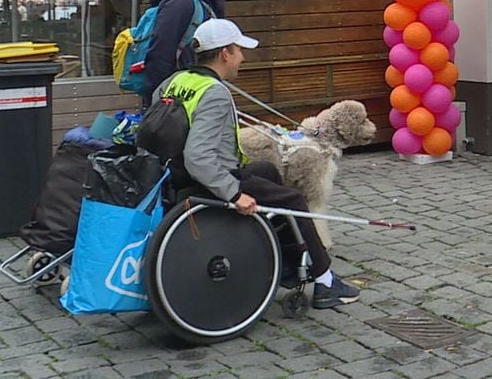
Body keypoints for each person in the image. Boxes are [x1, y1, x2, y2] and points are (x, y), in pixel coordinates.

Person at [153, 18, 361, 308]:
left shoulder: (175, 82)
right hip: (205, 180)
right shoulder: (214, 93)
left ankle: (284, 260)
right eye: (239, 50)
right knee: (293, 199)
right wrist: (234, 194)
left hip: (172, 174)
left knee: (268, 171)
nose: (242, 58)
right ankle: (325, 281)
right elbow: (199, 157)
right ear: (225, 53)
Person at [141, 0, 226, 103]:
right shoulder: (182, 1)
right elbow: (161, 51)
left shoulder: (206, 2)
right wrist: (159, 100)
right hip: (174, 95)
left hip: (194, 89)